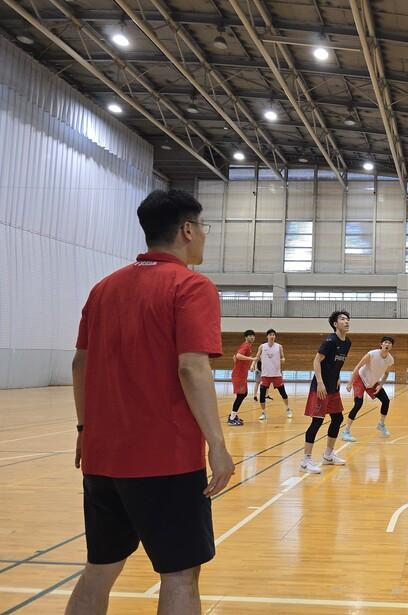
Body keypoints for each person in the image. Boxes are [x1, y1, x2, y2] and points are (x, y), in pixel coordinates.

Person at [66, 190, 234, 615]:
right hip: (166, 461)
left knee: (99, 569)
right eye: (204, 228)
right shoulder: (191, 285)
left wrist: (84, 430)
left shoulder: (103, 288)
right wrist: (217, 445)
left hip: (102, 460)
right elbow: (191, 368)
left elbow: (80, 363)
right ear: (187, 230)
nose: (205, 236)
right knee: (180, 575)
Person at [300, 311, 351, 474]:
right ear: (335, 324)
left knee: (337, 418)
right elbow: (316, 361)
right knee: (317, 421)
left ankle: (328, 455)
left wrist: (338, 376)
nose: (346, 321)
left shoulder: (347, 342)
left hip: (333, 386)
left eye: (347, 319)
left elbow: (336, 363)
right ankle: (305, 460)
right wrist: (320, 383)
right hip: (321, 386)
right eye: (342, 319)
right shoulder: (330, 341)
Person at [341, 336, 395, 441]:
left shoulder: (390, 359)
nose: (387, 344)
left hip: (373, 382)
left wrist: (381, 385)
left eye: (389, 343)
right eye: (385, 342)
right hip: (360, 379)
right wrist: (350, 382)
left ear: (391, 347)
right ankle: (346, 431)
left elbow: (387, 373)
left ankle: (381, 424)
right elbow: (358, 367)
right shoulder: (372, 354)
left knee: (386, 401)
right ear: (381, 344)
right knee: (358, 404)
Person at [255, 329, 291, 420]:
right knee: (262, 395)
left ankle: (288, 409)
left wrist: (283, 359)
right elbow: (257, 357)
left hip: (276, 374)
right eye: (270, 335)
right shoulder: (262, 346)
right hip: (265, 375)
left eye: (273, 335)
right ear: (267, 336)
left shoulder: (279, 346)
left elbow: (283, 357)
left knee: (283, 394)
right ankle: (263, 413)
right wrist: (253, 365)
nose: (272, 336)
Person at [228, 330, 256, 426]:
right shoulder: (246, 345)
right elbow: (238, 355)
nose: (252, 337)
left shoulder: (248, 346)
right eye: (250, 336)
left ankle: (232, 415)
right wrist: (252, 359)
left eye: (253, 336)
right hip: (238, 375)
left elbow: (235, 357)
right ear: (246, 337)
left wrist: (250, 365)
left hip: (242, 375)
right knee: (241, 395)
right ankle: (231, 419)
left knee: (243, 394)